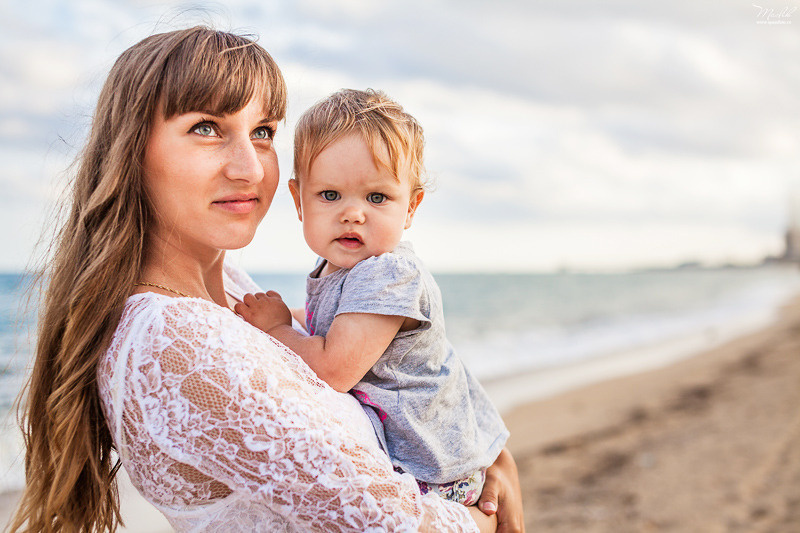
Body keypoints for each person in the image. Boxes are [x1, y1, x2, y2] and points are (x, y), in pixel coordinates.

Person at [10, 26, 524, 532]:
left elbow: (417, 352)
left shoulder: (226, 285)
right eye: (206, 128)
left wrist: (492, 453)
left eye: (263, 133)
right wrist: (485, 515)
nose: (251, 170)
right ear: (130, 150)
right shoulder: (175, 341)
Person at [235, 88, 510, 506]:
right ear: (299, 200)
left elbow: (333, 369)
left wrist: (276, 327)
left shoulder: (387, 273)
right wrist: (285, 315)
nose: (353, 213)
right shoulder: (339, 265)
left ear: (411, 207)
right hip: (416, 458)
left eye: (377, 198)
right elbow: (334, 320)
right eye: (330, 195)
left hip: (433, 472)